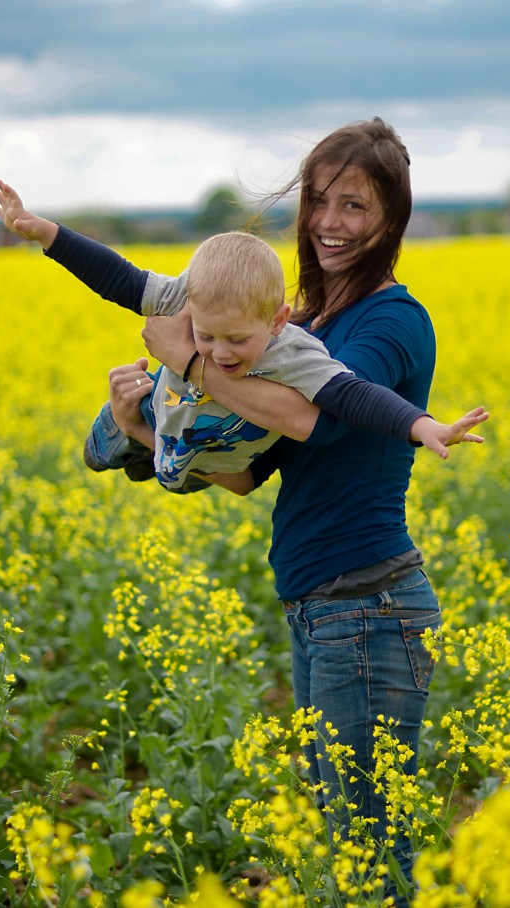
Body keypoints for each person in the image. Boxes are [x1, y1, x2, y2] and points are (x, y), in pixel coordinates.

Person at [109, 118, 483, 906]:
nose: (329, 224)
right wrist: (146, 429)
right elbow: (251, 473)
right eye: (319, 201)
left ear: (393, 218)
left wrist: (187, 356)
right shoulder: (302, 328)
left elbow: (325, 419)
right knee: (347, 836)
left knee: (370, 849)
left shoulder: (390, 322)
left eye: (354, 206)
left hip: (370, 605)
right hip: (320, 607)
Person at [0, 182, 487, 501]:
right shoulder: (187, 296)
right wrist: (48, 235)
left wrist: (421, 426)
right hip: (171, 412)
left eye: (236, 339)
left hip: (206, 447)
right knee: (146, 396)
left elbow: (351, 394)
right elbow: (119, 278)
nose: (221, 351)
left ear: (277, 321)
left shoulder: (294, 352)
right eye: (206, 335)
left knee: (183, 452)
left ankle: (150, 444)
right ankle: (126, 424)